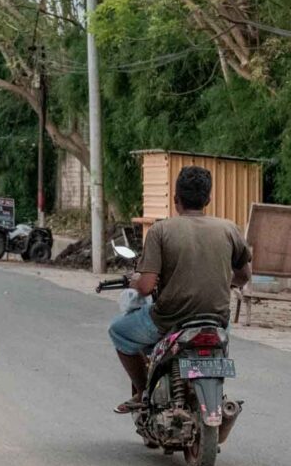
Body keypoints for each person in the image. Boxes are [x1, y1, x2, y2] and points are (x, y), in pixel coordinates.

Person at [108, 166, 252, 413]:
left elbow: (145, 287)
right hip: (217, 320)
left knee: (119, 332)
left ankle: (144, 393)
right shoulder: (229, 229)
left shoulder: (161, 230)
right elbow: (244, 276)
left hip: (170, 319)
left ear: (176, 200)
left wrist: (134, 281)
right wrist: (221, 281)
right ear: (208, 199)